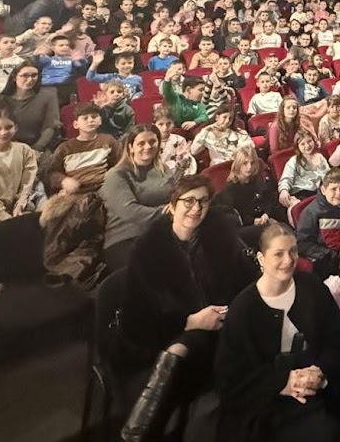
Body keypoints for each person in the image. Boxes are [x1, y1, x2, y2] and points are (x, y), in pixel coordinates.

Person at [118, 175, 259, 441]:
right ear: (172, 205)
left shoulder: (220, 236)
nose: (196, 208)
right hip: (178, 334)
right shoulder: (148, 251)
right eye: (189, 201)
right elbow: (134, 322)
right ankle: (140, 433)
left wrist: (230, 311)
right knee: (181, 349)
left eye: (203, 201)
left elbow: (249, 283)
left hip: (227, 326)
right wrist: (190, 321)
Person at [216, 222, 340, 442]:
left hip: (319, 387)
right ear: (261, 259)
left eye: (293, 251)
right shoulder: (242, 309)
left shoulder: (312, 288)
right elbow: (231, 379)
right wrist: (283, 382)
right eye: (279, 254)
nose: (288, 260)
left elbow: (337, 340)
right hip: (267, 402)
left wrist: (320, 371)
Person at [100, 125, 172, 271]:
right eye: (141, 143)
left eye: (152, 142)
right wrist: (169, 212)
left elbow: (176, 196)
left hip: (160, 233)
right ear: (131, 147)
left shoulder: (164, 170)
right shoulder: (116, 175)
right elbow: (129, 212)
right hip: (125, 238)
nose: (148, 147)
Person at [213, 143, 286, 247]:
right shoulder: (231, 189)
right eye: (245, 163)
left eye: (252, 163)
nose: (249, 167)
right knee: (271, 231)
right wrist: (253, 220)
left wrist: (266, 214)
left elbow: (271, 200)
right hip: (245, 227)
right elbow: (234, 216)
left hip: (264, 220)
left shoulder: (259, 181)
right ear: (238, 165)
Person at [0, 62, 60, 153]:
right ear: (14, 77)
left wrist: (36, 149)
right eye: (25, 75)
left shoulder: (47, 96)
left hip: (38, 149)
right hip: (9, 149)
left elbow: (50, 127)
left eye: (34, 75)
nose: (30, 79)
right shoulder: (0, 102)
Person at [278, 131, 331, 209]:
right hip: (300, 193)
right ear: (297, 147)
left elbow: (329, 178)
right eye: (302, 144)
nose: (307, 145)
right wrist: (284, 190)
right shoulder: (294, 161)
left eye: (309, 141)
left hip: (317, 192)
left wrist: (321, 167)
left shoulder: (319, 157)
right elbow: (286, 178)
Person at [161, 66, 210, 131]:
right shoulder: (175, 98)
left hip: (187, 133)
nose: (203, 93)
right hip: (170, 132)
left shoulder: (199, 106)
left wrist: (194, 122)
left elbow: (205, 116)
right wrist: (167, 79)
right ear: (188, 90)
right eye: (200, 90)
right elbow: (167, 90)